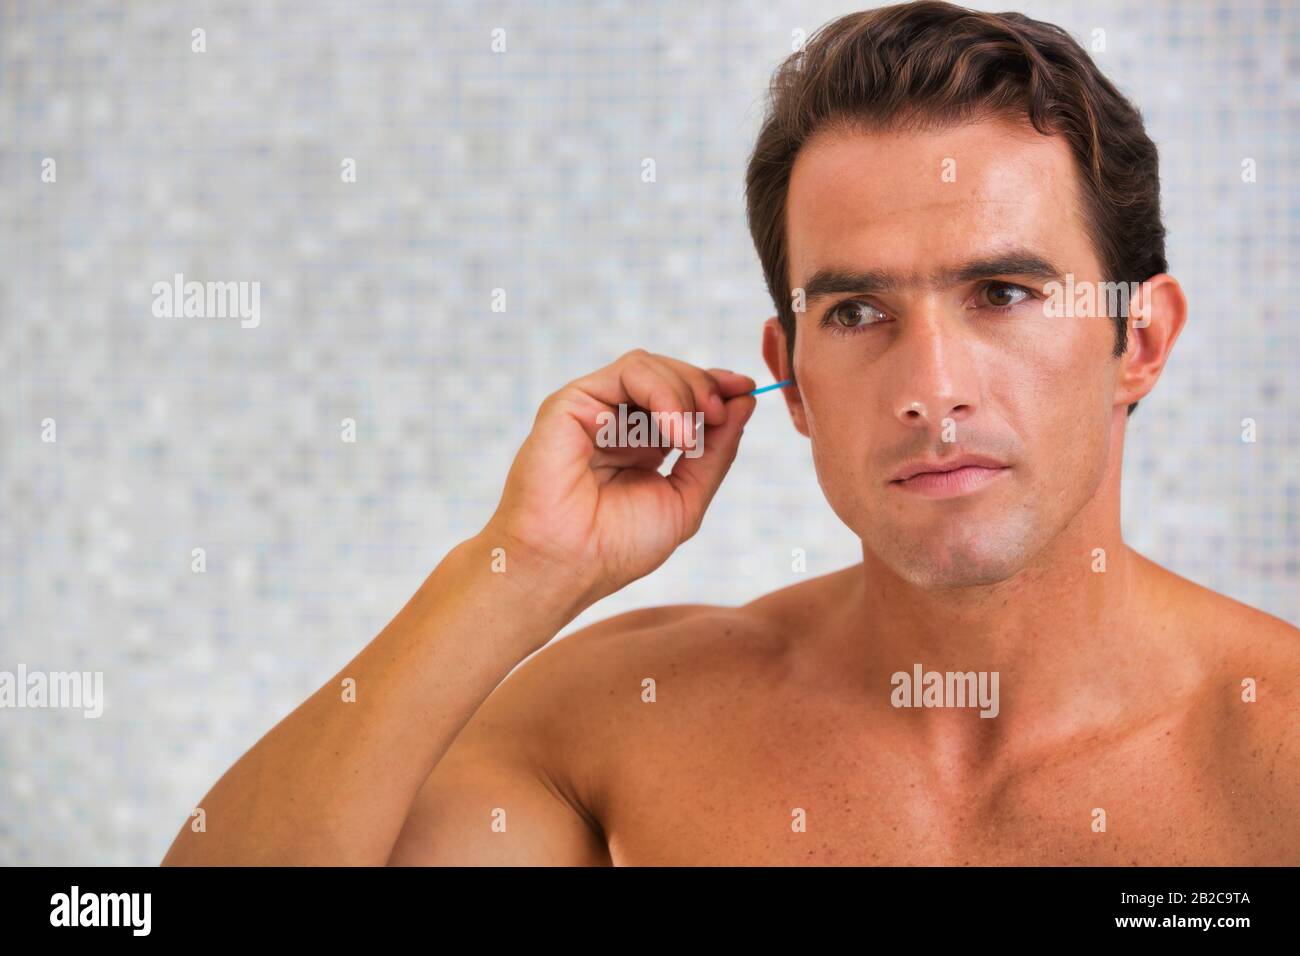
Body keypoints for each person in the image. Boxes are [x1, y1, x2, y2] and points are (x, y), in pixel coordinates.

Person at [163, 1, 1300, 866]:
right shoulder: (622, 726)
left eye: (1000, 291)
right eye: (856, 313)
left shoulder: (1274, 750)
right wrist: (517, 569)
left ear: (1138, 339)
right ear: (791, 381)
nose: (931, 385)